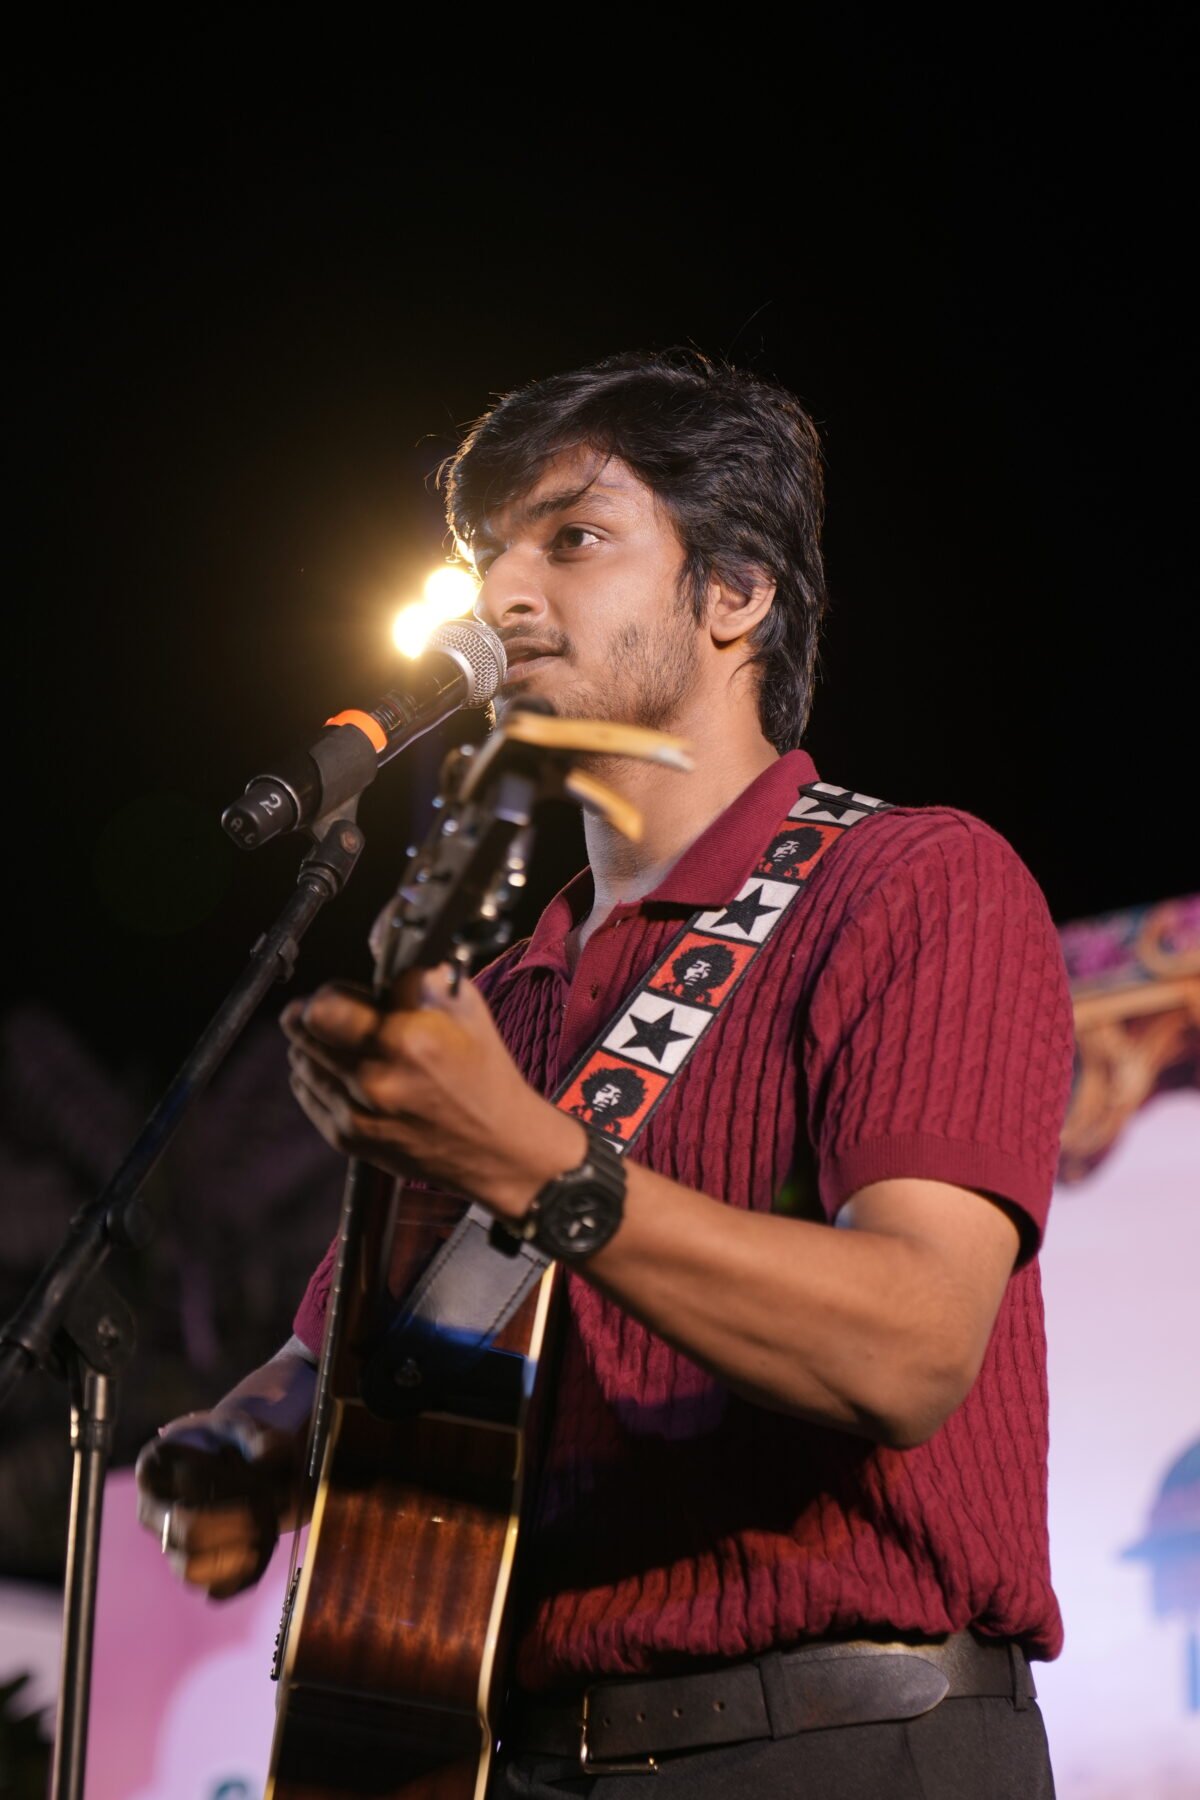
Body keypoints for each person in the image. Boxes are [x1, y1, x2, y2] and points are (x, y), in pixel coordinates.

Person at [137, 351, 1075, 1798]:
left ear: (735, 592)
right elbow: (342, 1360)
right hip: (508, 1756)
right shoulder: (495, 1003)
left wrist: (533, 1163)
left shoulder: (914, 884)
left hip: (840, 1742)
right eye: (485, 553)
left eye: (571, 538)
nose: (500, 595)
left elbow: (910, 1345)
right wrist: (243, 1443)